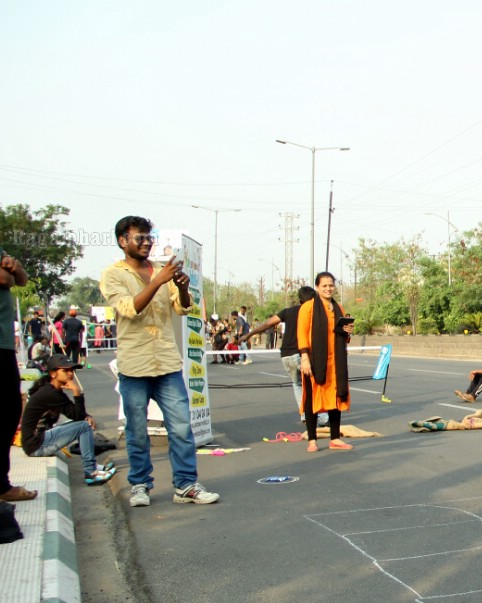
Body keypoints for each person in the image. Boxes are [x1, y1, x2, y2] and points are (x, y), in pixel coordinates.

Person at [100, 216, 220, 507]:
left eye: (148, 237)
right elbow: (130, 309)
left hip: (166, 362)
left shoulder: (160, 272)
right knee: (137, 430)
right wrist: (159, 281)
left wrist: (180, 286)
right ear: (122, 241)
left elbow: (183, 308)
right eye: (138, 237)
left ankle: (186, 485)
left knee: (180, 427)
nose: (146, 242)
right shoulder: (113, 275)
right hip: (135, 364)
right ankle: (140, 484)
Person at [20, 355, 115, 485]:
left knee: (82, 423)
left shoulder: (52, 389)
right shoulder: (50, 393)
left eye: (72, 370)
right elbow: (77, 415)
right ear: (53, 373)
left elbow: (75, 414)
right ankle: (91, 472)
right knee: (85, 426)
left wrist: (86, 415)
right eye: (65, 371)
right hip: (37, 445)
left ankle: (92, 467)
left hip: (36, 442)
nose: (70, 374)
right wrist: (77, 392)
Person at [240, 286, 327, 426]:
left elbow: (268, 324)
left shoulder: (288, 311)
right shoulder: (312, 312)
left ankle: (305, 415)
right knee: (314, 383)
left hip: (286, 356)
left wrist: (249, 334)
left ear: (299, 299)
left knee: (297, 384)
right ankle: (323, 417)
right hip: (301, 354)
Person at [297, 272, 354, 452]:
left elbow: (344, 337)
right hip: (314, 360)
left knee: (336, 397)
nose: (328, 289)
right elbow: (302, 334)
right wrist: (305, 358)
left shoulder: (339, 308)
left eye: (331, 285)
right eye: (324, 286)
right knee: (312, 398)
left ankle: (335, 438)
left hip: (335, 362)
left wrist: (348, 331)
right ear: (317, 287)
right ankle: (312, 439)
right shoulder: (308, 308)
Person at [0, 246, 37, 502]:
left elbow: (20, 279)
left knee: (9, 411)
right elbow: (5, 279)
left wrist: (16, 267)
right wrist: (10, 272)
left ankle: (2, 484)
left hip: (3, 344)